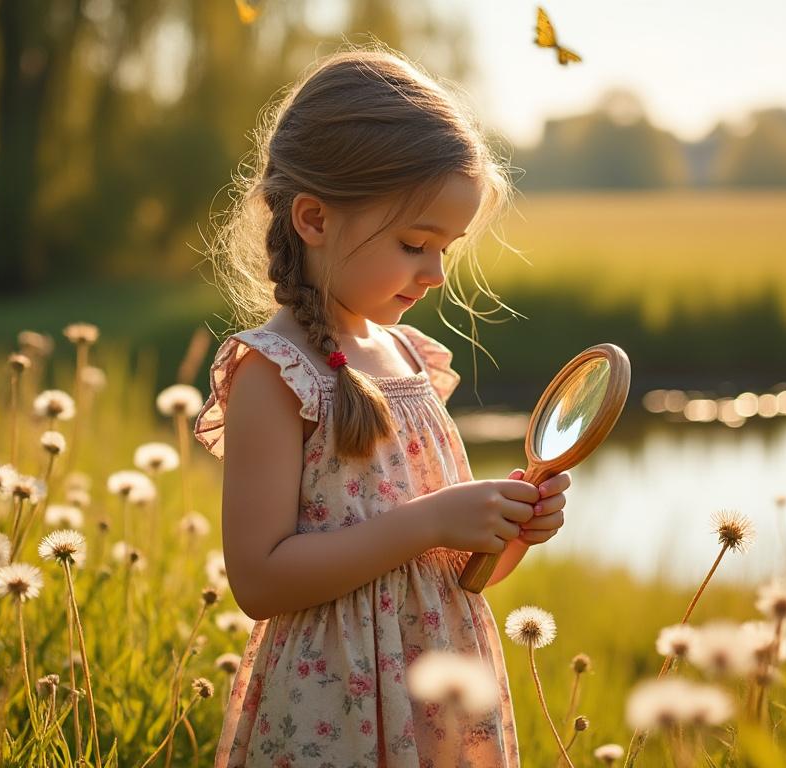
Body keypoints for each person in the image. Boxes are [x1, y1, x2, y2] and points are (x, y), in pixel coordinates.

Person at [194, 44, 571, 766]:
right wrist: (430, 519)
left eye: (446, 249)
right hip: (336, 703)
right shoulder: (276, 373)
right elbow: (258, 578)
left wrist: (512, 529)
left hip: (442, 692)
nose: (434, 274)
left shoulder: (411, 360)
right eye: (412, 244)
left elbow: (449, 572)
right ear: (313, 219)